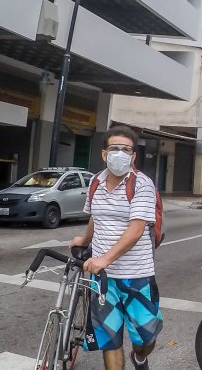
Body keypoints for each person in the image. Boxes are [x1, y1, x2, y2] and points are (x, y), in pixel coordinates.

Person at [71, 126, 162, 370]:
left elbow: (136, 229)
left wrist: (105, 259)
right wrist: (85, 239)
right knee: (110, 341)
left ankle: (140, 356)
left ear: (133, 156)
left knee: (146, 336)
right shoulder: (95, 182)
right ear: (104, 154)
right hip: (104, 281)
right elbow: (96, 216)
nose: (120, 153)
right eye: (114, 148)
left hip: (137, 275)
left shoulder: (142, 184)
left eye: (126, 149)